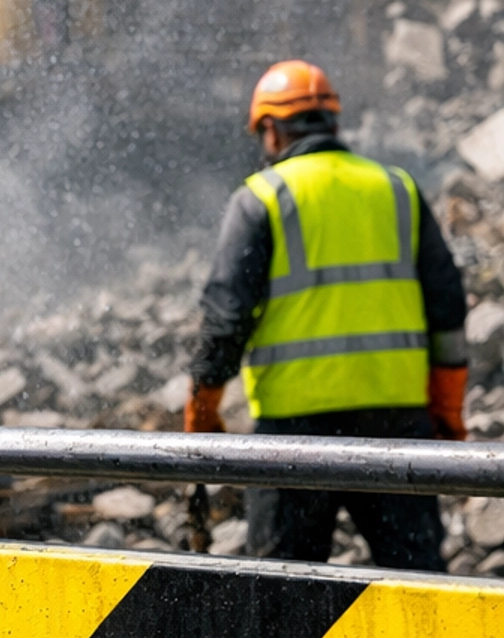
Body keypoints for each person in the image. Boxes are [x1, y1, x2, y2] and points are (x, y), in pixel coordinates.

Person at [184, 58, 468, 570]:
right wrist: (446, 409)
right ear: (333, 122)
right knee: (418, 590)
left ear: (270, 130)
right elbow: (447, 306)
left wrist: (203, 409)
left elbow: (225, 319)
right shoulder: (397, 189)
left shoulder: (260, 200)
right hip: (396, 422)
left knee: (283, 600)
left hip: (293, 436)